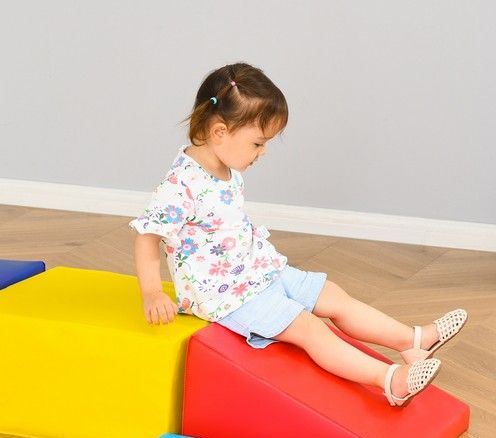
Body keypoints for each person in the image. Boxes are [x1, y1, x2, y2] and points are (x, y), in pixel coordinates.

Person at [130, 62, 467, 406]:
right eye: (258, 143)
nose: (262, 153)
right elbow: (147, 236)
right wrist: (153, 292)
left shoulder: (224, 167)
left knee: (333, 296)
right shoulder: (180, 184)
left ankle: (412, 341)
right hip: (227, 297)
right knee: (309, 328)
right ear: (219, 132)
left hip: (258, 270)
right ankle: (390, 381)